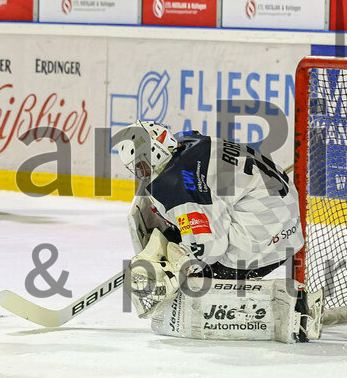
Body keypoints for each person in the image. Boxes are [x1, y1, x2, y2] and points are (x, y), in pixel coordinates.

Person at [115, 122, 320, 342]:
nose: (141, 173)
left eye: (141, 166)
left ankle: (287, 308)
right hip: (285, 223)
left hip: (263, 242)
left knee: (194, 279)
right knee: (186, 239)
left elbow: (211, 248)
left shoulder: (176, 184)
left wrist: (180, 264)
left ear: (155, 153)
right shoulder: (190, 142)